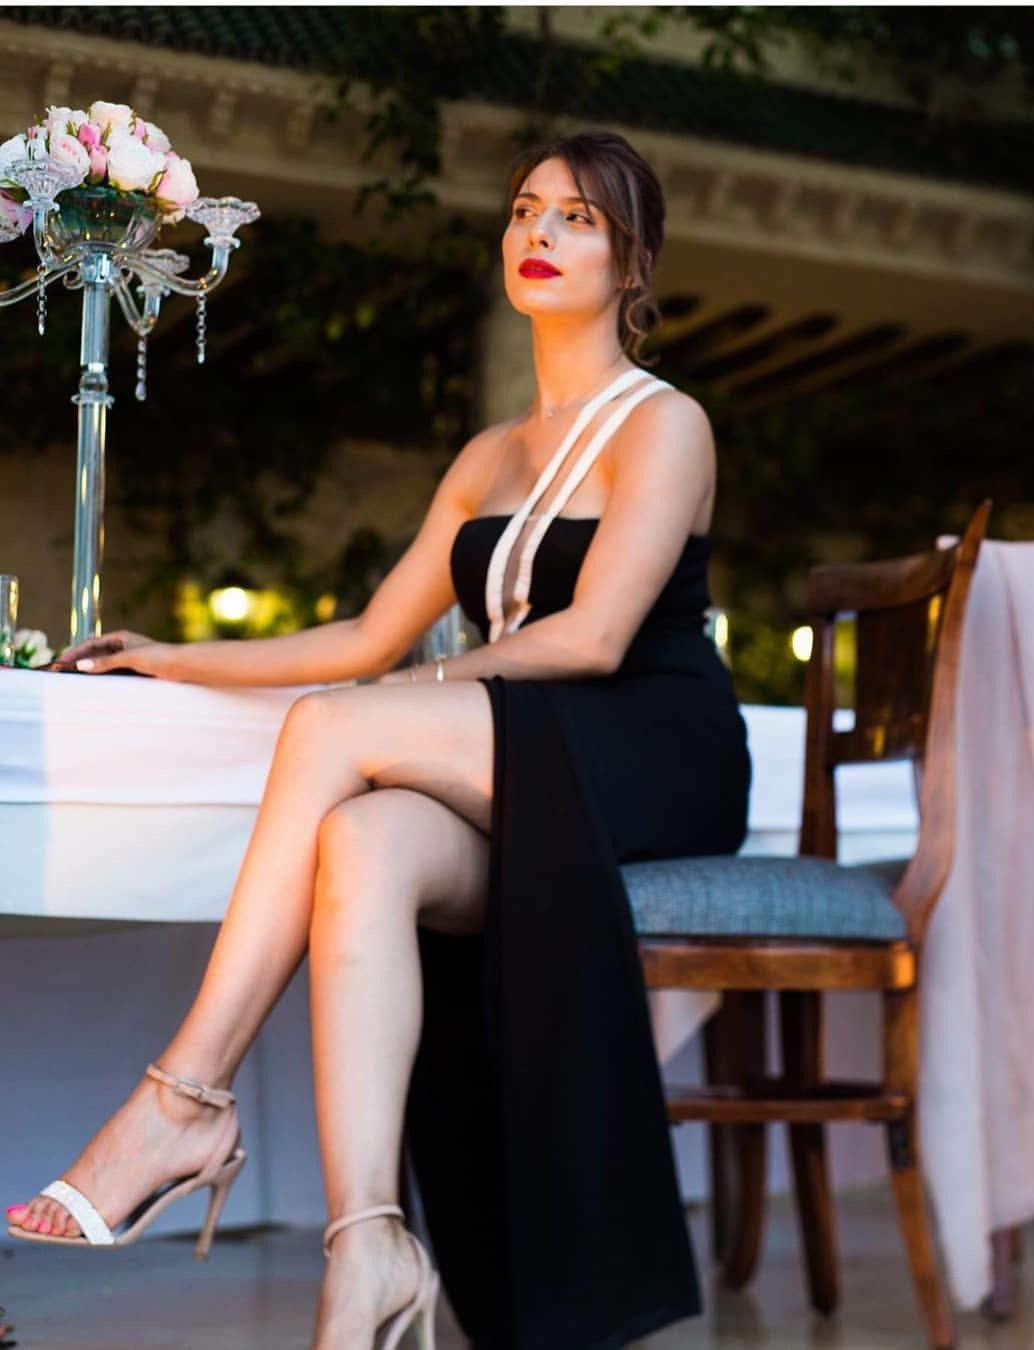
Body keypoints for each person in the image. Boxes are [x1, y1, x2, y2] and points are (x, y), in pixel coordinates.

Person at [7, 129, 751, 1350]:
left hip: (654, 746)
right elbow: (365, 635)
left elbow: (594, 639)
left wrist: (414, 693)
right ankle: (369, 1243)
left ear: (633, 264)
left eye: (578, 218)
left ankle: (183, 1098)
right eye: (525, 209)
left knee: (333, 731)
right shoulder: (488, 457)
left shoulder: (666, 425)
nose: (538, 232)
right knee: (360, 842)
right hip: (522, 745)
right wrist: (172, 657)